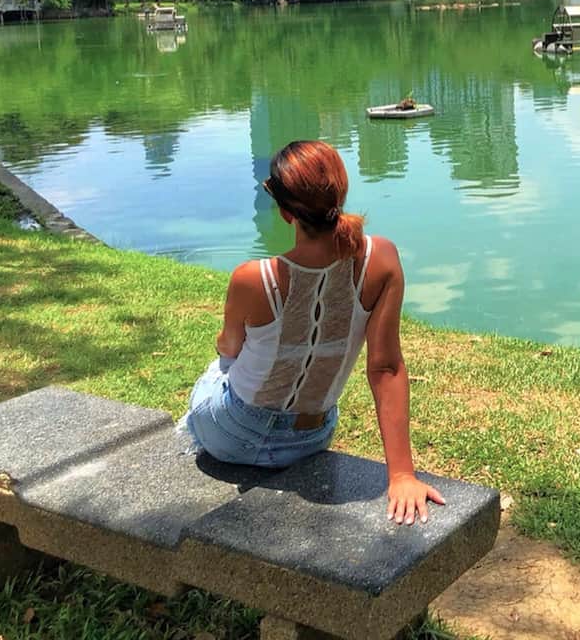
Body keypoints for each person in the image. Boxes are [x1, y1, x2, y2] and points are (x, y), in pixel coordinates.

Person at [183, 139, 445, 526]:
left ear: (286, 212)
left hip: (233, 434)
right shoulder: (382, 260)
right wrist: (402, 475)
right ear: (341, 191)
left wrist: (227, 349)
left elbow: (230, 346)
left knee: (219, 366)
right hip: (310, 437)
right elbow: (386, 368)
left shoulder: (254, 279)